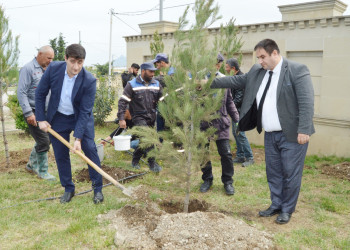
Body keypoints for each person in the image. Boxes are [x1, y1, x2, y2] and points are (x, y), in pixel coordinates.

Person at [211, 39, 314, 224]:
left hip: (292, 134)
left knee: (290, 173)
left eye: (263, 57)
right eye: (258, 57)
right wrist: (209, 82)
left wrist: (304, 129)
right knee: (273, 171)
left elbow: (306, 102)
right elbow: (235, 80)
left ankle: (287, 209)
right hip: (270, 133)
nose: (260, 61)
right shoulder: (258, 72)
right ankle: (275, 204)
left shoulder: (297, 70)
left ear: (275, 53)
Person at [35, 44, 104, 204]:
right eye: (72, 61)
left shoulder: (89, 80)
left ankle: (98, 189)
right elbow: (40, 93)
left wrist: (78, 138)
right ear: (65, 58)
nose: (76, 67)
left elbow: (86, 111)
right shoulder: (53, 69)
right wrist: (40, 118)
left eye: (80, 62)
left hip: (80, 117)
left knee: (90, 149)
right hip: (59, 117)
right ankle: (68, 188)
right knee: (60, 154)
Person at [17, 45, 56, 181]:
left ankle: (31, 165)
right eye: (48, 58)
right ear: (39, 54)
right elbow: (21, 92)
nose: (51, 61)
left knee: (48, 138)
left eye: (52, 58)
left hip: (46, 112)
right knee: (43, 140)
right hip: (34, 112)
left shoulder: (48, 69)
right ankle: (42, 171)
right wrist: (28, 113)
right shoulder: (28, 69)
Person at [117, 62, 162, 172]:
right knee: (148, 137)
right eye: (150, 71)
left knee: (143, 140)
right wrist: (121, 118)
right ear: (143, 71)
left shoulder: (156, 84)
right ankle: (152, 163)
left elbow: (162, 100)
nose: (153, 74)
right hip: (138, 116)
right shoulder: (131, 84)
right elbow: (123, 102)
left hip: (151, 116)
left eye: (154, 72)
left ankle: (135, 158)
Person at [199, 88, 239, 195]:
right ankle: (207, 179)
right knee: (203, 154)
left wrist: (236, 118)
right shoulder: (199, 79)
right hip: (203, 125)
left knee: (226, 154)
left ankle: (228, 181)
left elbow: (229, 102)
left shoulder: (223, 81)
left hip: (221, 124)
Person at [225, 58, 254, 167]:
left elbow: (239, 99)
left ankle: (250, 157)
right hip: (236, 111)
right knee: (235, 133)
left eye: (227, 67)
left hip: (241, 112)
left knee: (240, 134)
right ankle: (240, 155)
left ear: (233, 68)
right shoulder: (234, 78)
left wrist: (228, 107)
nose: (225, 69)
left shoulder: (240, 79)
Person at [151, 53, 175, 132]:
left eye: (156, 63)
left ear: (162, 62)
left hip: (172, 105)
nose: (155, 65)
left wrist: (154, 79)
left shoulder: (173, 72)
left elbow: (171, 81)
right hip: (163, 103)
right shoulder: (164, 72)